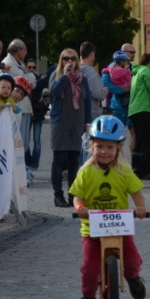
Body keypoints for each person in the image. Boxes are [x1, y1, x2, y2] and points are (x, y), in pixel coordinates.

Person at [70, 116, 148, 299]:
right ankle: (88, 297)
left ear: (118, 149)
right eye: (100, 146)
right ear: (91, 146)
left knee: (131, 260)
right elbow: (77, 196)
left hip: (120, 227)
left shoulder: (124, 171)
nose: (104, 152)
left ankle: (133, 278)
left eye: (110, 147)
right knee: (89, 268)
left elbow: (137, 193)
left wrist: (140, 208)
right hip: (92, 229)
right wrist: (80, 207)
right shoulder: (85, 172)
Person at [50, 48, 92, 208]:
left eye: (72, 59)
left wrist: (87, 122)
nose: (69, 62)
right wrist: (65, 76)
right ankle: (58, 195)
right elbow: (55, 92)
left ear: (77, 61)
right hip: (60, 123)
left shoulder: (83, 79)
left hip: (77, 123)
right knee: (59, 160)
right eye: (66, 59)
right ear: (61, 61)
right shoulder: (57, 76)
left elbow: (87, 102)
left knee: (74, 161)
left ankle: (72, 195)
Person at [102, 50, 133, 127]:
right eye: (131, 52)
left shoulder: (131, 66)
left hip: (132, 104)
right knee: (118, 129)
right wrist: (123, 90)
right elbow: (106, 84)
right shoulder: (111, 68)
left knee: (134, 131)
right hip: (118, 104)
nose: (133, 54)